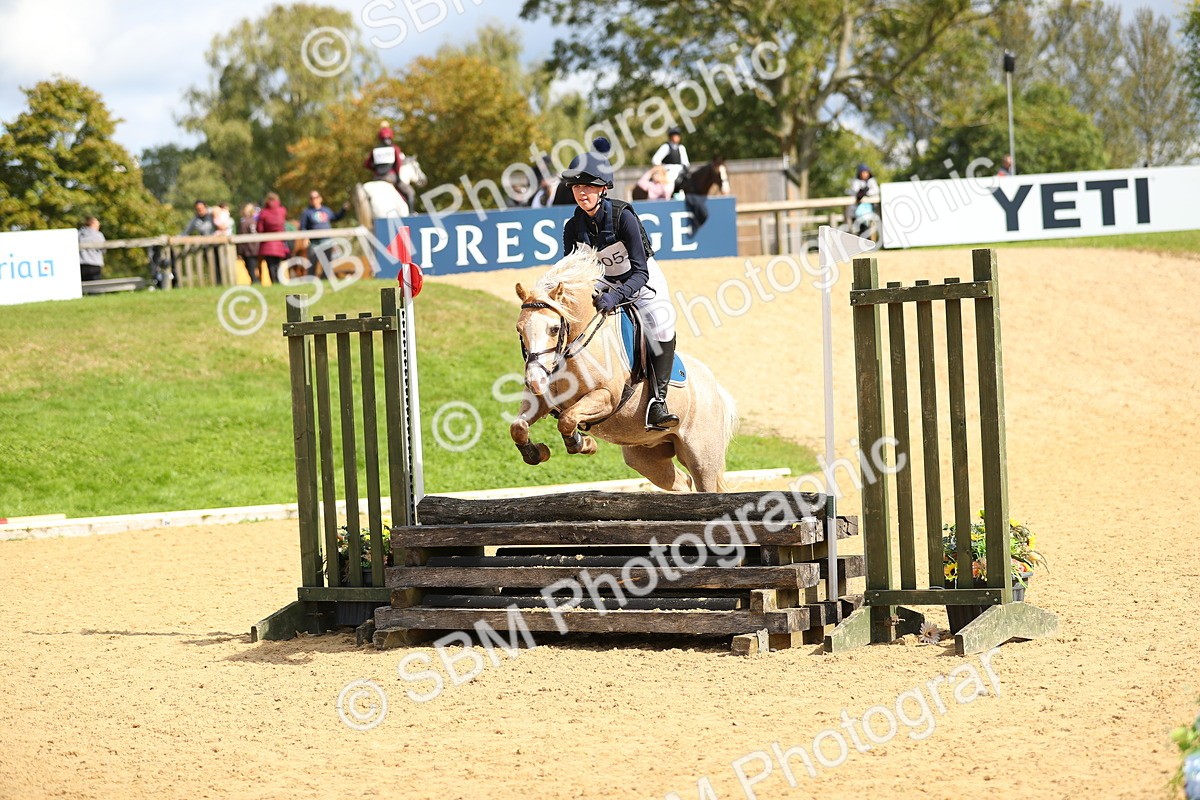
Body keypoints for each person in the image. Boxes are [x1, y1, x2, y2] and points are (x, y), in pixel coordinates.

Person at [561, 137, 680, 431]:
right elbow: (573, 273)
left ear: (603, 188)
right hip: (604, 283)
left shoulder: (623, 216)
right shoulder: (572, 227)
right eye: (576, 186)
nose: (581, 192)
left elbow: (640, 272)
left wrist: (616, 297)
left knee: (662, 324)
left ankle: (658, 403)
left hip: (643, 281)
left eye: (587, 186)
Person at [363, 121, 416, 211]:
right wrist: (398, 177)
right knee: (410, 192)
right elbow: (398, 164)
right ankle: (411, 214)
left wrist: (376, 170)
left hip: (377, 178)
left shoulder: (375, 150)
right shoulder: (394, 148)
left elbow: (366, 164)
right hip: (390, 177)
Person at [298, 190, 348, 278]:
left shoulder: (326, 210)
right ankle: (311, 281)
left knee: (327, 264)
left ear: (320, 198)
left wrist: (343, 210)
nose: (314, 199)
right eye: (312, 198)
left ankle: (326, 282)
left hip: (327, 240)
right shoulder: (307, 212)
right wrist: (305, 238)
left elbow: (336, 217)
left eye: (316, 197)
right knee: (312, 264)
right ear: (310, 200)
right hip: (314, 242)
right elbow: (303, 227)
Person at [256, 192, 289, 285]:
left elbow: (260, 229)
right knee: (277, 265)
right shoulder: (282, 210)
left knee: (270, 265)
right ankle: (279, 282)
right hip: (279, 243)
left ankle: (274, 282)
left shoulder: (264, 213)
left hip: (267, 244)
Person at [848, 163, 880, 237]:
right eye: (863, 172)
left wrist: (867, 192)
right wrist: (861, 193)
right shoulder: (856, 182)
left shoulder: (871, 181)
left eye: (866, 172)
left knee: (867, 226)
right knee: (858, 227)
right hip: (857, 209)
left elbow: (876, 190)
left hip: (869, 208)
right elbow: (855, 192)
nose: (864, 174)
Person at [237, 203, 261, 284]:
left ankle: (255, 282)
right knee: (255, 267)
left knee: (250, 268)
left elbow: (241, 237)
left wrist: (239, 251)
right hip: (255, 249)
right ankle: (256, 281)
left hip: (247, 250)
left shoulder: (244, 222)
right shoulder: (255, 221)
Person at [78, 216, 104, 282]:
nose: (98, 227)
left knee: (83, 287)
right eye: (97, 225)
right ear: (92, 224)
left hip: (81, 264)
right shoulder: (98, 235)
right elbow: (103, 249)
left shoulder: (78, 234)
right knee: (95, 287)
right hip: (95, 264)